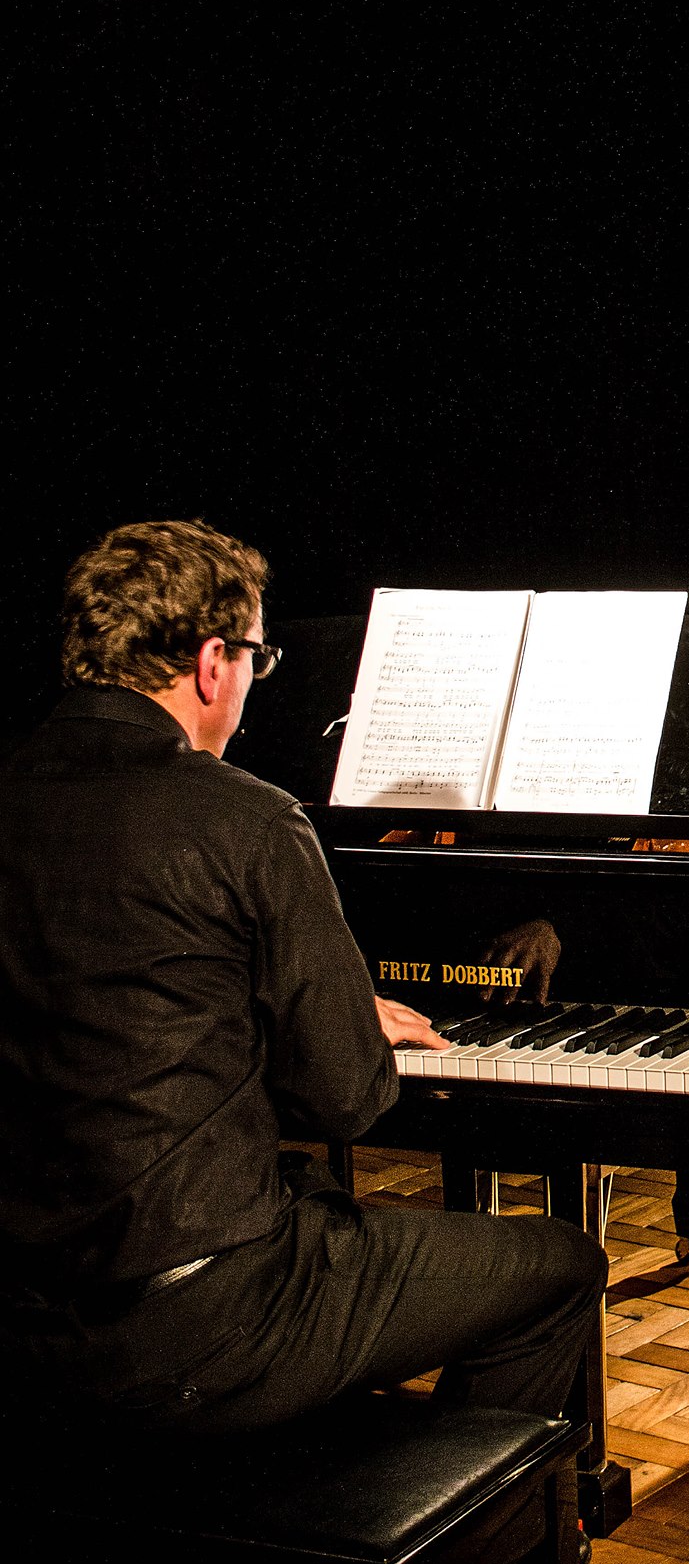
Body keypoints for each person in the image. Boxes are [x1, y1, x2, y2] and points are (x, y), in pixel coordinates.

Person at [0, 519, 608, 1456]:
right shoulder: (245, 818)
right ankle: (470, 1535)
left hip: (32, 1308)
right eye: (257, 656)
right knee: (560, 1267)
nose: (251, 680)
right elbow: (342, 1098)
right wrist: (323, 1013)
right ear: (212, 663)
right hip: (200, 1315)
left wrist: (259, 1004)